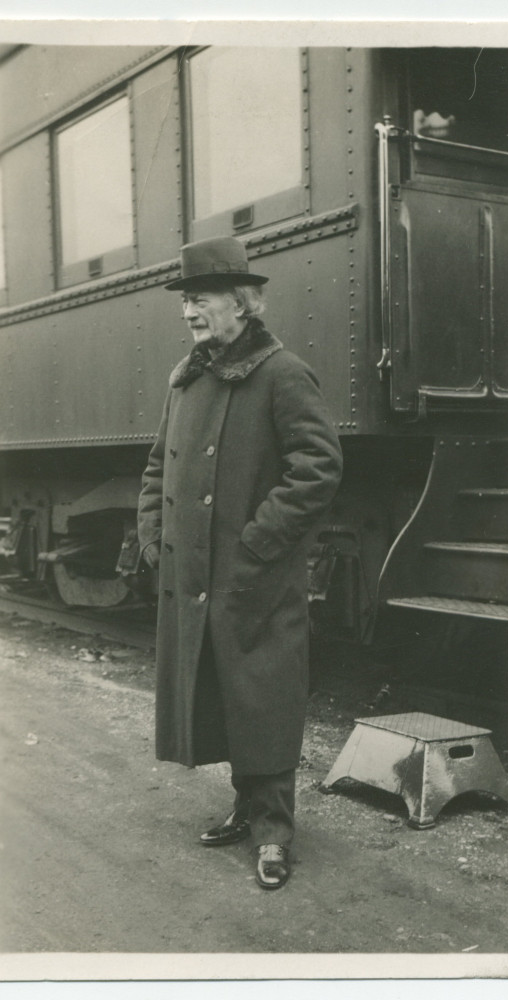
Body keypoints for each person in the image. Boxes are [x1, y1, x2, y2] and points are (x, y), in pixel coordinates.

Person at [138, 236, 342, 890]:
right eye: (186, 302)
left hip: (255, 573)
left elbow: (316, 471)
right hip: (196, 574)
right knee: (224, 692)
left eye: (198, 300)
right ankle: (246, 808)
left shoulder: (281, 372)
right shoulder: (187, 377)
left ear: (240, 302)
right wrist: (153, 537)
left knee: (262, 696)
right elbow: (154, 469)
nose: (188, 312)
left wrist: (256, 543)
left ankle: (274, 833)